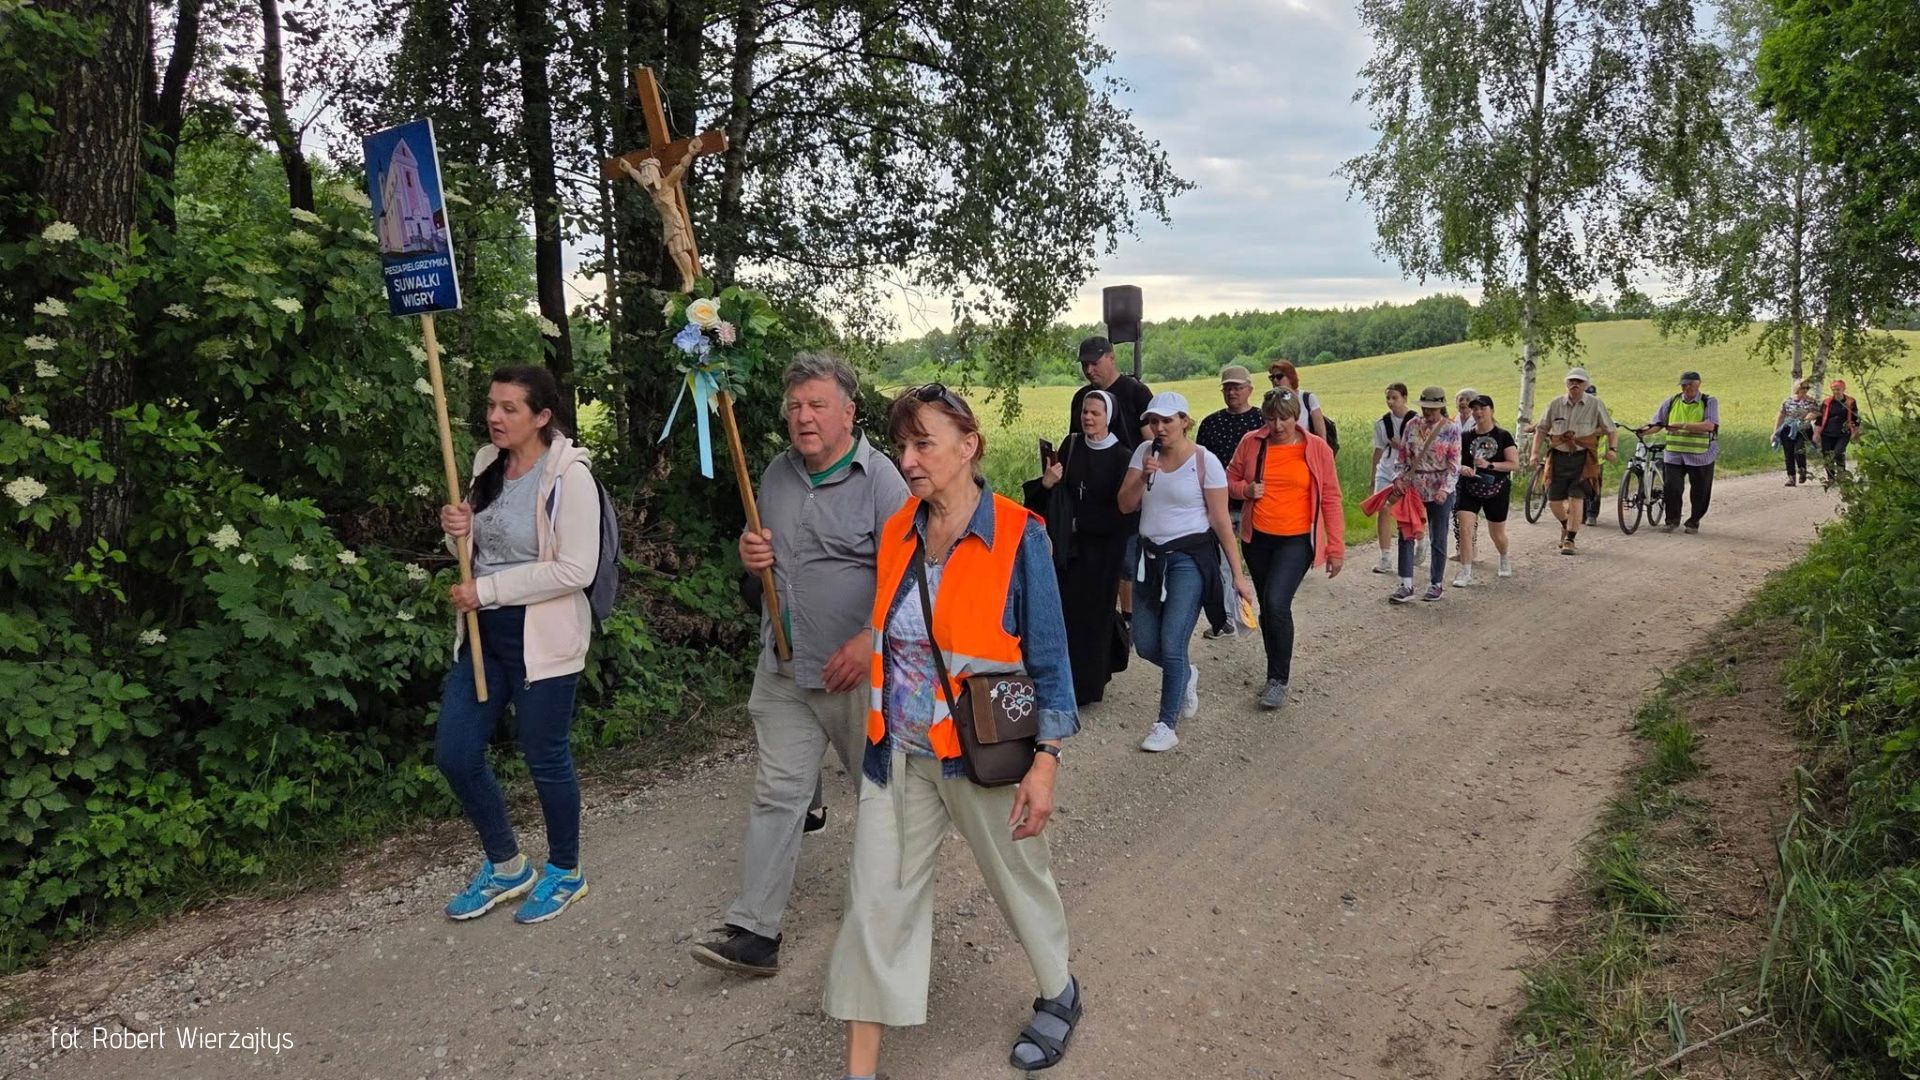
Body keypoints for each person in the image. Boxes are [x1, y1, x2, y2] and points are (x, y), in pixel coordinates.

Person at [824, 383, 1083, 1077]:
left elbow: (1051, 660)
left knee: (1018, 879)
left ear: (969, 446)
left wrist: (1046, 761)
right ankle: (860, 1072)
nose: (907, 460)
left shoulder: (1020, 534)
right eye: (900, 446)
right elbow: (888, 636)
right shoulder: (897, 533)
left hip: (983, 750)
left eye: (923, 444)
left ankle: (1059, 989)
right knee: (874, 905)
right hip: (897, 753)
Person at [691, 354, 909, 977]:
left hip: (858, 679)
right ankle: (755, 932)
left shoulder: (883, 482)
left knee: (882, 799)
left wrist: (869, 640)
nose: (803, 417)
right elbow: (767, 561)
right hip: (785, 669)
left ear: (849, 412)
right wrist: (750, 554)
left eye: (816, 405)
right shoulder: (774, 475)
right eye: (794, 406)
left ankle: (893, 925)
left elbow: (911, 578)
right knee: (777, 794)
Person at [435, 366, 599, 924]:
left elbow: (577, 569)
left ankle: (566, 871)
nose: (495, 417)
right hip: (484, 635)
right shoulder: (486, 462)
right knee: (455, 752)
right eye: (491, 405)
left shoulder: (571, 477)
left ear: (542, 416)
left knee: (543, 755)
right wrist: (456, 530)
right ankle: (507, 866)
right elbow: (477, 549)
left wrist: (487, 590)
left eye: (509, 408)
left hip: (543, 636)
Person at [1118, 392, 1255, 752]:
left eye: (1167, 421)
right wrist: (1141, 477)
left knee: (1172, 641)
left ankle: (1166, 724)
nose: (1159, 428)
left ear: (1184, 421)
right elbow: (1125, 505)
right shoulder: (1143, 453)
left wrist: (1238, 576)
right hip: (1149, 558)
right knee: (1146, 644)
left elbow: (1221, 521)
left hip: (1188, 559)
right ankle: (1186, 673)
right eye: (1154, 422)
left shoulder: (1204, 461)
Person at [1226, 389, 1345, 709]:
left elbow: (1331, 497)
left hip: (1296, 540)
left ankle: (1278, 679)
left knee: (1277, 603)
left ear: (1296, 417)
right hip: (1257, 539)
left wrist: (1335, 547)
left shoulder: (1316, 448)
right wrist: (1245, 490)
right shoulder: (1251, 443)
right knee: (1269, 607)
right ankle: (1273, 669)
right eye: (1271, 418)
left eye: (1285, 418)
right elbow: (1229, 479)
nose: (1277, 426)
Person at [1031, 390, 1136, 705]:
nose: (1088, 418)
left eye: (1095, 413)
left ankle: (1089, 686)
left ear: (1109, 417)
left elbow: (1124, 512)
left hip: (1104, 553)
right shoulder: (1072, 445)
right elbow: (1060, 493)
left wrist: (1083, 523)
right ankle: (1065, 681)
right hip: (1070, 550)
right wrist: (1047, 482)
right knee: (1066, 615)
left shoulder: (1122, 457)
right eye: (1085, 412)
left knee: (1095, 617)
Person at [1196, 364, 1267, 638]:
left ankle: (1266, 611)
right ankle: (1226, 618)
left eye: (1237, 387)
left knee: (1259, 561)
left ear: (1249, 389)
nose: (1232, 392)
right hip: (1219, 506)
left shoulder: (1263, 421)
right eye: (1227, 388)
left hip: (1256, 504)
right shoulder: (1210, 424)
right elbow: (1199, 464)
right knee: (1222, 564)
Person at [1528, 368, 1618, 556]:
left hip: (1583, 459)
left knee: (1576, 499)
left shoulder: (1595, 404)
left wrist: (1612, 449)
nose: (1575, 384)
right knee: (1553, 501)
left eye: (1579, 381)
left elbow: (1610, 429)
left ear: (1586, 384)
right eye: (1571, 381)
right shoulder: (1555, 404)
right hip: (1558, 458)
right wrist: (1534, 453)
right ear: (1566, 383)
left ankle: (1570, 539)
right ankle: (1565, 524)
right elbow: (1542, 429)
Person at [1388, 387, 1461, 603]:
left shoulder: (1451, 429)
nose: (1427, 412)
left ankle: (1436, 583)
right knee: (1406, 533)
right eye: (1425, 408)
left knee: (1438, 536)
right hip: (1414, 488)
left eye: (1432, 409)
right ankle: (1406, 584)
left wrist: (1445, 489)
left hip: (1439, 487)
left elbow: (1454, 464)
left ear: (1440, 407)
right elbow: (1402, 457)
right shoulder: (1412, 425)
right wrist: (1398, 477)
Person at [1643, 370, 1720, 534]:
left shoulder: (1709, 401)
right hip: (1674, 454)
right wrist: (1643, 431)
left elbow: (1710, 425)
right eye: (1683, 385)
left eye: (1689, 385)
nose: (1686, 388)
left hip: (1700, 456)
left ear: (1698, 384)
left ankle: (1693, 521)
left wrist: (1682, 426)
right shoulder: (1671, 402)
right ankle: (1671, 521)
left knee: (1700, 491)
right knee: (1672, 488)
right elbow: (1658, 423)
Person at [1453, 394, 1518, 584]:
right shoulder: (1465, 437)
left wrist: (1490, 465)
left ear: (1491, 410)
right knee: (1465, 528)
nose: (1478, 412)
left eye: (1482, 408)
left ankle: (1503, 556)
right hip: (1469, 487)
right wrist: (1462, 468)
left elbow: (1514, 464)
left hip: (1496, 488)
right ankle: (1465, 572)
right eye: (1474, 409)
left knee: (1497, 534)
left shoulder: (1503, 436)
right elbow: (1454, 460)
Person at [1067, 335, 1153, 450]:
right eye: (1085, 365)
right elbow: (1075, 443)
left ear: (1111, 358)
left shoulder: (1137, 392)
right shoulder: (1080, 397)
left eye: (1094, 363)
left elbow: (1151, 442)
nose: (1089, 370)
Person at [1370, 383, 1414, 574]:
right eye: (1388, 398)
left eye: (1395, 397)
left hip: (1408, 472)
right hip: (1386, 469)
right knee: (1383, 509)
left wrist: (1401, 445)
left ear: (1404, 398)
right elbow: (1378, 450)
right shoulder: (1382, 423)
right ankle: (1385, 556)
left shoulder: (1416, 421)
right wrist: (1373, 476)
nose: (1390, 402)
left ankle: (1420, 541)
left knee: (1410, 511)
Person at [1268, 359, 1329, 444]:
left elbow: (1321, 434)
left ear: (1290, 377)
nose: (1275, 380)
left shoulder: (1308, 398)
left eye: (1279, 376)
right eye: (1272, 377)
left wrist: (1320, 450)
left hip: (1306, 448)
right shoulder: (1270, 401)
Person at [1452, 387, 1480, 559]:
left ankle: (1471, 547)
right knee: (1456, 510)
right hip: (1454, 469)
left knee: (1468, 511)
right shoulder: (1451, 421)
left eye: (1467, 399)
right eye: (1460, 399)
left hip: (1471, 470)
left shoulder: (1478, 423)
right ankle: (1460, 548)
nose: (1463, 402)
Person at [1774, 379, 1818, 486]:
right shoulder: (1787, 401)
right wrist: (1775, 432)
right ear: (1797, 388)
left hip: (1803, 429)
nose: (1805, 390)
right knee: (1788, 453)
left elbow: (1817, 412)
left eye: (1807, 388)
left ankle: (1802, 471)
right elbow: (1781, 416)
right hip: (1788, 429)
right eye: (1803, 387)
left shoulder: (1811, 401)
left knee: (1799, 450)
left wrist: (1812, 415)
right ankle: (1791, 478)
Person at [1818, 379, 1861, 484]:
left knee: (1838, 453)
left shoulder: (1850, 402)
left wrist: (1855, 431)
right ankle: (1831, 477)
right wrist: (1816, 433)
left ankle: (1841, 475)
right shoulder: (1826, 402)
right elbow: (1819, 418)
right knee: (1827, 456)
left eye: (1838, 389)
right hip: (1827, 433)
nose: (1836, 392)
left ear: (1843, 389)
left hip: (1843, 433)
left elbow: (1856, 418)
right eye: (1833, 389)